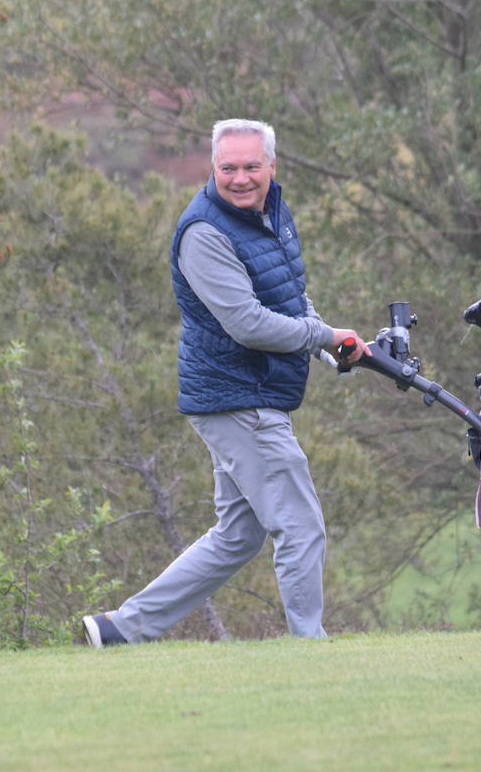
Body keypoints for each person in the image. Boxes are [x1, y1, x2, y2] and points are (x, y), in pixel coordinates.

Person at [83, 118, 368, 648]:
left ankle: (121, 629)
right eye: (228, 167)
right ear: (212, 167)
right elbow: (248, 323)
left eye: (251, 167)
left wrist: (332, 346)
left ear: (272, 167)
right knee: (300, 525)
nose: (239, 178)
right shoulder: (204, 233)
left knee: (239, 536)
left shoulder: (271, 213)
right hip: (238, 397)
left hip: (253, 393)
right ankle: (312, 647)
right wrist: (324, 335)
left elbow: (289, 297)